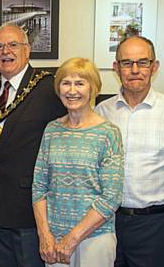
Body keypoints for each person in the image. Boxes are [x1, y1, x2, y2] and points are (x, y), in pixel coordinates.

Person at [95, 36, 164, 267]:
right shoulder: (100, 112)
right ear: (116, 68)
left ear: (154, 67)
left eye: (143, 62)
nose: (134, 70)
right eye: (126, 63)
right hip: (108, 222)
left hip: (157, 226)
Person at [0, 23, 67, 267]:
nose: (5, 51)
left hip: (30, 207)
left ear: (27, 50)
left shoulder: (49, 89)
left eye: (12, 45)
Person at [32, 58, 124, 267]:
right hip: (53, 241)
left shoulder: (108, 133)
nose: (72, 90)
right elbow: (38, 187)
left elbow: (111, 197)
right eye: (66, 83)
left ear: (93, 89)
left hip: (95, 239)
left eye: (80, 83)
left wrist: (72, 239)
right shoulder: (51, 130)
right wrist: (44, 234)